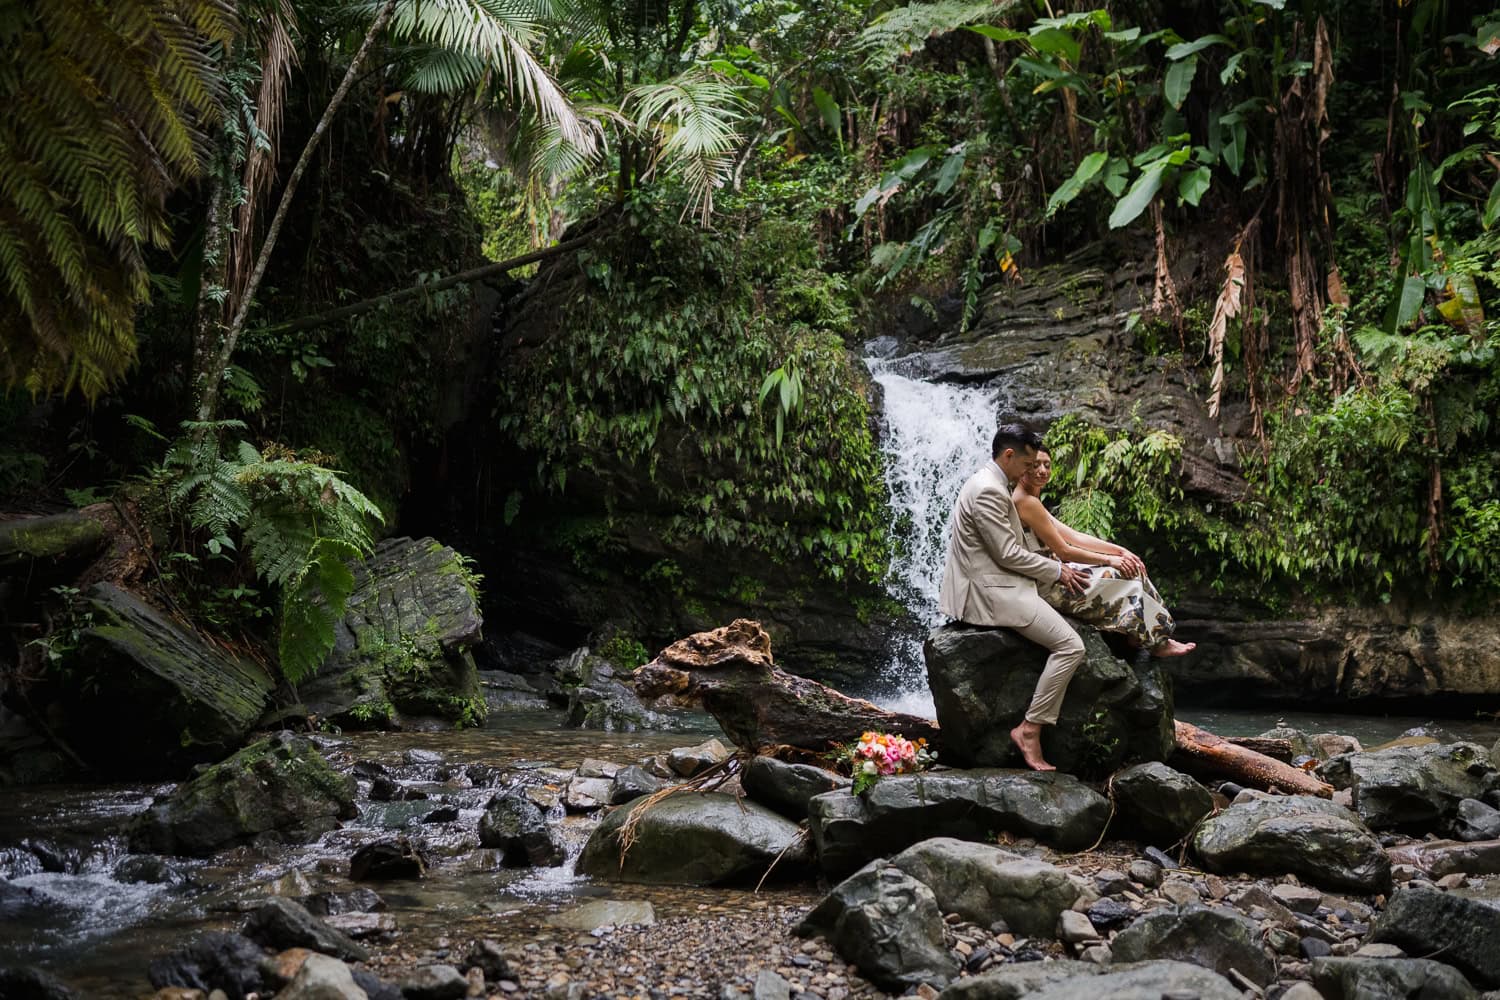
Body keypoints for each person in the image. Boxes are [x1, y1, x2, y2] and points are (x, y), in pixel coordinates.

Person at [938, 424, 1090, 771]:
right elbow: (1007, 553)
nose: (1030, 473)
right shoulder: (989, 491)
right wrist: (1057, 571)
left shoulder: (988, 482)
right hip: (991, 593)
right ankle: (1030, 728)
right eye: (1026, 464)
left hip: (997, 582)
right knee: (1071, 646)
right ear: (1009, 455)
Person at [1012, 449, 1195, 657]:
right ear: (1023, 468)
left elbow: (1074, 536)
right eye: (1036, 465)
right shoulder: (1026, 502)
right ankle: (1156, 642)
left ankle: (1143, 634)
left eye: (1047, 465)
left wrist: (1120, 552)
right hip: (1049, 584)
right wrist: (1110, 560)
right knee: (1122, 575)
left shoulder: (1030, 499)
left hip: (1058, 574)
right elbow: (1064, 550)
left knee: (1131, 568)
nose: (1043, 471)